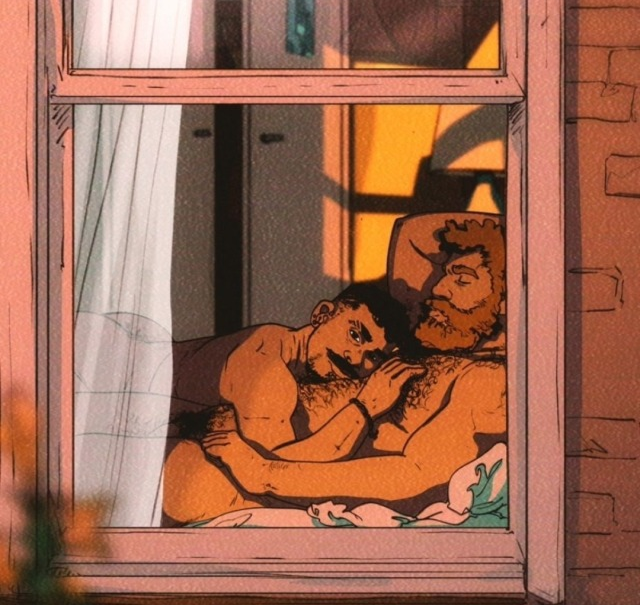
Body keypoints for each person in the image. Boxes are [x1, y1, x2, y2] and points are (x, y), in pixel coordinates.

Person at [167, 218, 507, 523]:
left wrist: (264, 472)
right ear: (322, 313)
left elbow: (415, 470)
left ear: (507, 302)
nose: (437, 289)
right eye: (441, 275)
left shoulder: (487, 380)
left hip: (228, 478)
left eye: (462, 280)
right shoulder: (269, 356)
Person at [163, 283, 419, 523]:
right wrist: (365, 407)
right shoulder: (267, 366)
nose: (354, 358)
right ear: (322, 314)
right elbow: (273, 468)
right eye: (355, 335)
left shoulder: (289, 360)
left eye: (373, 357)